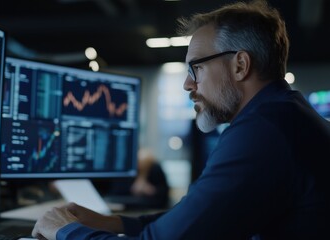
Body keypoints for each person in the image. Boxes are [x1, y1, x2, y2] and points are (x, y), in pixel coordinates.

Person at [31, 0, 330, 239]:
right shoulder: (283, 116)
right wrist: (113, 222)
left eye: (195, 69)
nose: (188, 84)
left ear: (240, 65)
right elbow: (196, 219)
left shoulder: (263, 132)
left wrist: (64, 230)